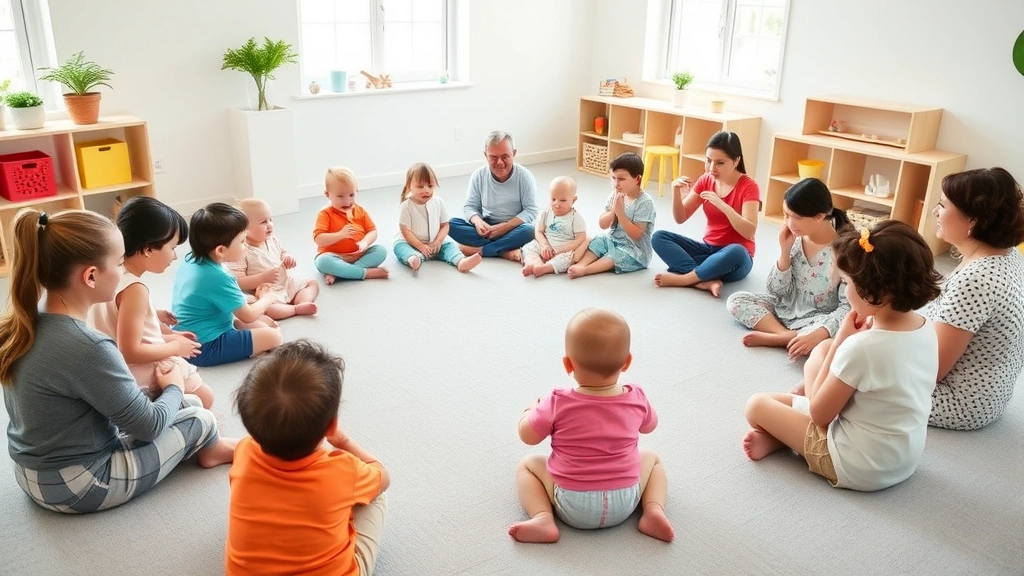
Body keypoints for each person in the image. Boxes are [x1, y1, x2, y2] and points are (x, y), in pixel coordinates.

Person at [0, 208, 235, 514]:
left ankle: (200, 438)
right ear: (91, 276)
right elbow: (149, 427)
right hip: (78, 485)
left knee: (185, 404)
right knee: (200, 417)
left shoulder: (27, 320)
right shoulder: (89, 347)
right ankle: (214, 450)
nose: (124, 270)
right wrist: (174, 385)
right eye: (120, 263)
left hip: (31, 473)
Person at [742, 221, 943, 491]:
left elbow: (819, 414)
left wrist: (841, 340)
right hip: (903, 458)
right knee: (821, 351)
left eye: (847, 282)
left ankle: (787, 439)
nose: (845, 290)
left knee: (757, 405)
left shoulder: (862, 348)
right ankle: (783, 437)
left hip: (856, 465)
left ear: (876, 294)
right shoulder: (926, 328)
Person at [509, 308, 674, 544]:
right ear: (627, 362)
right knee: (653, 459)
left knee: (527, 465)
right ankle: (653, 510)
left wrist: (530, 411)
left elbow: (527, 436)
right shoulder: (636, 397)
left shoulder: (557, 401)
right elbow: (650, 426)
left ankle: (543, 517)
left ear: (568, 364)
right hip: (626, 501)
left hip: (572, 504)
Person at [226, 340, 390, 576]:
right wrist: (344, 442)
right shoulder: (344, 471)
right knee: (375, 497)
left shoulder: (243, 451)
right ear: (331, 426)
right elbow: (383, 476)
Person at [89, 196, 215, 408]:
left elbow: (115, 319)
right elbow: (130, 351)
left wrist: (154, 317)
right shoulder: (135, 289)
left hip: (109, 367)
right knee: (206, 398)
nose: (175, 256)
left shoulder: (108, 273)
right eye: (172, 247)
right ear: (148, 249)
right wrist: (175, 347)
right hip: (136, 373)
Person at [925, 167, 1024, 430]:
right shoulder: (1009, 254)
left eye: (942, 205)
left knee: (847, 369)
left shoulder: (976, 279)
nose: (935, 212)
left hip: (960, 402)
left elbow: (931, 370)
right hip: (992, 395)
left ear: (972, 220)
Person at [726, 178, 852, 359]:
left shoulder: (845, 250)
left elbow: (848, 307)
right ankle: (784, 336)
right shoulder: (795, 239)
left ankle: (792, 337)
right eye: (786, 215)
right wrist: (784, 252)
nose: (790, 223)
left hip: (819, 319)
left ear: (819, 216)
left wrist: (821, 332)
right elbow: (776, 291)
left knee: (837, 336)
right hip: (784, 309)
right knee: (736, 300)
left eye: (797, 218)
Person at [172, 203, 283, 367]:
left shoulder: (191, 259)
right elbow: (248, 315)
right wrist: (267, 298)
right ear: (220, 250)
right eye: (242, 241)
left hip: (186, 334)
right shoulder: (218, 277)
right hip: (205, 346)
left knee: (261, 323)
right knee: (275, 336)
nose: (246, 246)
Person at [652, 131, 760, 297]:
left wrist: (723, 205)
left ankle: (686, 279)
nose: (711, 168)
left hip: (735, 259)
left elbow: (749, 231)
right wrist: (675, 192)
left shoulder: (749, 187)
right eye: (708, 161)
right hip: (708, 251)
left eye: (720, 163)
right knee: (659, 237)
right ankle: (704, 280)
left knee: (737, 251)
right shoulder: (706, 179)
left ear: (736, 161)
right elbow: (681, 217)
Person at [447, 131, 538, 261]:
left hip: (513, 228)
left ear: (514, 153)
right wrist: (478, 222)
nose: (499, 162)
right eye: (493, 157)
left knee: (530, 231)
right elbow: (470, 206)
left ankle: (479, 250)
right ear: (486, 155)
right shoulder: (478, 175)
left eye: (505, 156)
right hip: (487, 229)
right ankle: (502, 251)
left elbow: (531, 210)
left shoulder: (524, 176)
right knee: (450, 224)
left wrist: (505, 227)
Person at [566, 153, 656, 279]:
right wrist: (614, 210)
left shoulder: (645, 202)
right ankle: (581, 264)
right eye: (613, 178)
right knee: (597, 241)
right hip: (614, 240)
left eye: (621, 179)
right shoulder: (615, 195)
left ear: (637, 179)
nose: (616, 183)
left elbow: (636, 235)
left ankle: (585, 270)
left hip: (635, 250)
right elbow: (602, 224)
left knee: (617, 255)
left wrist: (620, 213)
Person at [227, 198, 319, 319]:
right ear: (245, 229)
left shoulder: (271, 239)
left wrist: (287, 257)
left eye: (270, 219)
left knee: (312, 283)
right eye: (263, 222)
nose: (270, 224)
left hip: (285, 281)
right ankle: (294, 310)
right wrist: (262, 278)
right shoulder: (240, 251)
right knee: (267, 308)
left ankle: (302, 302)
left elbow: (282, 252)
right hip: (266, 291)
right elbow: (239, 282)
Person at [392, 162, 482, 273]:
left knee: (450, 245)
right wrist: (420, 245)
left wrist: (438, 241)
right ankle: (413, 258)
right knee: (399, 247)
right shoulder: (406, 206)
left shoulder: (439, 202)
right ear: (409, 186)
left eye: (430, 186)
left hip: (434, 242)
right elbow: (405, 231)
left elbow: (445, 225)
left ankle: (460, 261)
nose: (426, 190)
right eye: (420, 186)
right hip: (410, 242)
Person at [314, 167, 389, 283]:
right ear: (327, 194)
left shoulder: (360, 210)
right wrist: (340, 235)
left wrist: (365, 242)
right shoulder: (325, 214)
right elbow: (319, 239)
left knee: (381, 251)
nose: (347, 201)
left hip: (358, 255)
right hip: (334, 256)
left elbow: (372, 231)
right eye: (340, 196)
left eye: (351, 195)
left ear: (357, 190)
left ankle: (342, 272)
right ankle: (364, 273)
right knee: (322, 262)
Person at [521, 176, 588, 278]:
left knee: (566, 259)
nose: (557, 204)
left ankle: (546, 268)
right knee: (528, 247)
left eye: (563, 200)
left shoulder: (575, 218)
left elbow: (581, 238)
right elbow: (539, 231)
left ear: (573, 200)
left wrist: (563, 249)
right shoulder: (546, 213)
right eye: (553, 199)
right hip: (546, 245)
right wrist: (544, 245)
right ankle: (534, 262)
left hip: (563, 249)